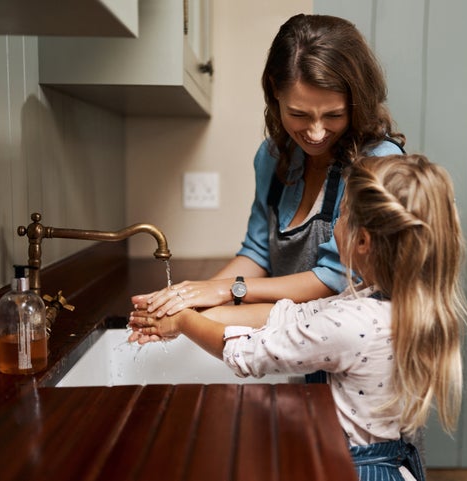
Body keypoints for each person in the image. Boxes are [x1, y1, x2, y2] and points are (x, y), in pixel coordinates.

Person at [129, 154, 467, 481]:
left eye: (340, 215)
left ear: (363, 241)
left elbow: (245, 353)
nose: (336, 224)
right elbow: (292, 316)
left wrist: (183, 323)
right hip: (388, 460)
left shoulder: (352, 323)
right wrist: (197, 311)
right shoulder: (397, 306)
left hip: (352, 468)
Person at [131, 13, 405, 319]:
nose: (315, 133)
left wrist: (228, 289)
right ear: (275, 90)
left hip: (350, 355)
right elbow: (258, 252)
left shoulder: (380, 163)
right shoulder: (274, 155)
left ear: (357, 103)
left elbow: (337, 278)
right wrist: (189, 298)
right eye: (299, 114)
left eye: (333, 115)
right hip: (293, 344)